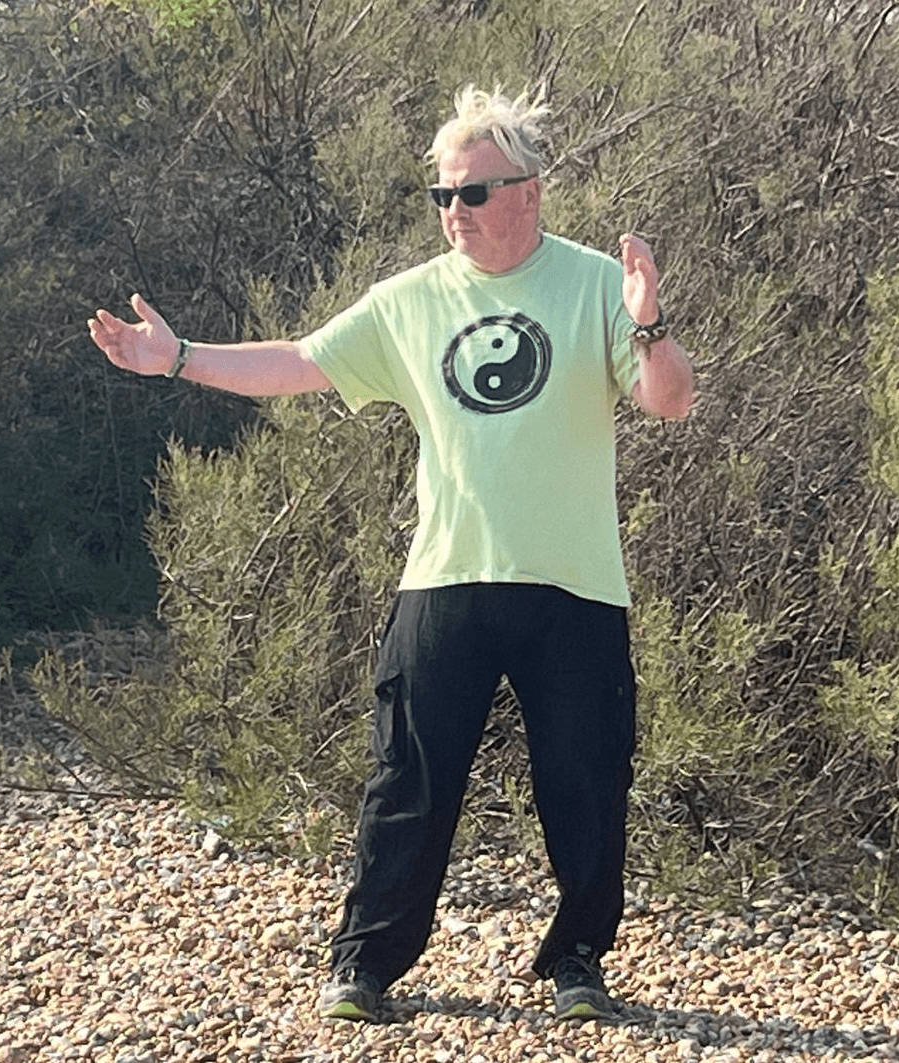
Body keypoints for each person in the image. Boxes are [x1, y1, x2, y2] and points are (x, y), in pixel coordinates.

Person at [88, 84, 694, 1023]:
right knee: (407, 775)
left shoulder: (591, 285)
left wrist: (647, 320)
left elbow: (668, 400)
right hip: (445, 576)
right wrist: (177, 357)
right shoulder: (411, 299)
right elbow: (299, 362)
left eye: (473, 194)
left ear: (528, 192)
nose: (454, 213)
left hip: (573, 582)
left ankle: (577, 960)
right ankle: (364, 964)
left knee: (585, 775)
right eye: (441, 197)